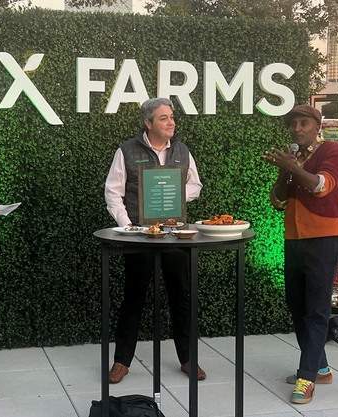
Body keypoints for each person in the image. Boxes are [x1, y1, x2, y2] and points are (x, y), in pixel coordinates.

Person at [104, 97, 205, 384]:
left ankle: (188, 359)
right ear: (148, 123)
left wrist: (171, 194)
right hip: (140, 237)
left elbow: (195, 185)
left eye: (171, 117)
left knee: (181, 297)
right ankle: (122, 361)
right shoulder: (127, 150)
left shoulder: (182, 150)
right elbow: (113, 191)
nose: (171, 122)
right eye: (163, 118)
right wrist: (127, 226)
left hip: (175, 234)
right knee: (133, 298)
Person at [262, 105, 338, 404]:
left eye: (303, 123)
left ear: (317, 126)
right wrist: (284, 173)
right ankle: (320, 367)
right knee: (296, 305)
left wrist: (294, 169)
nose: (297, 129)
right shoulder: (293, 158)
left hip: (323, 239)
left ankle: (307, 376)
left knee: (316, 310)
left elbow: (322, 186)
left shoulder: (333, 151)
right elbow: (278, 202)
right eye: (293, 124)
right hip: (294, 239)